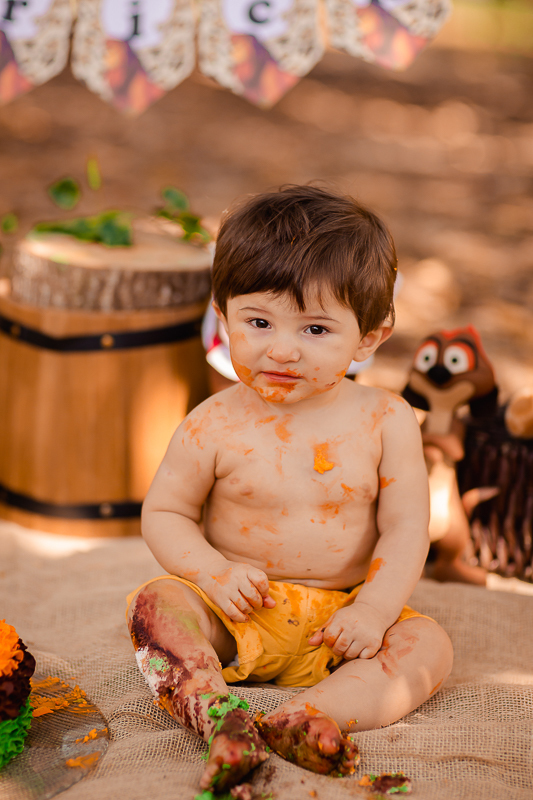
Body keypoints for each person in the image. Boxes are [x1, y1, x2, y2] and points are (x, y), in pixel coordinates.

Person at [126, 185, 454, 793]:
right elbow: (166, 512)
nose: (281, 348)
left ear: (370, 337)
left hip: (344, 620)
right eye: (258, 321)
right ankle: (217, 714)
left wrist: (375, 611)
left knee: (427, 644)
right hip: (237, 612)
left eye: (315, 329)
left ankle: (312, 714)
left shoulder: (386, 420)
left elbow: (407, 525)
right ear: (222, 317)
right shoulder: (213, 423)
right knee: (154, 605)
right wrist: (211, 573)